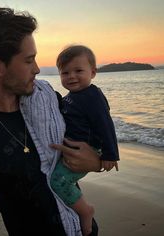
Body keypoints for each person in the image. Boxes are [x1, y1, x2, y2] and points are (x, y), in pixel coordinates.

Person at [0, 5, 101, 236]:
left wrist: (96, 162)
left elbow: (89, 147)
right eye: (29, 60)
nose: (37, 69)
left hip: (82, 229)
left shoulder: (50, 102)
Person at [50, 45, 120, 235]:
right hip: (74, 151)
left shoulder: (92, 96)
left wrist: (110, 154)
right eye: (65, 73)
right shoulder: (73, 97)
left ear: (93, 72)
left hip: (89, 151)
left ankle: (85, 211)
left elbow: (105, 124)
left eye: (78, 71)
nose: (71, 76)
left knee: (58, 182)